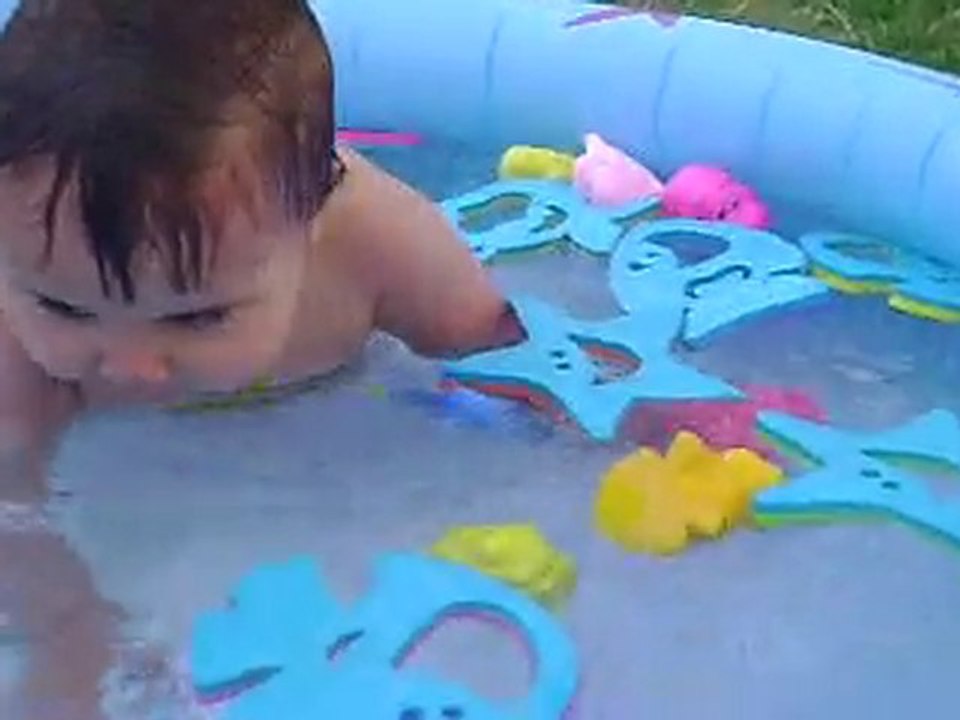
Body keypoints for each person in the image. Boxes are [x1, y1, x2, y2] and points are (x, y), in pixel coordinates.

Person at [0, 1, 520, 717]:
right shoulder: (16, 338)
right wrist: (70, 633)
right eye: (65, 308)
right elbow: (13, 507)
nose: (129, 364)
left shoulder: (376, 246)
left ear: (313, 219)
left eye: (196, 316)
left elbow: (502, 352)